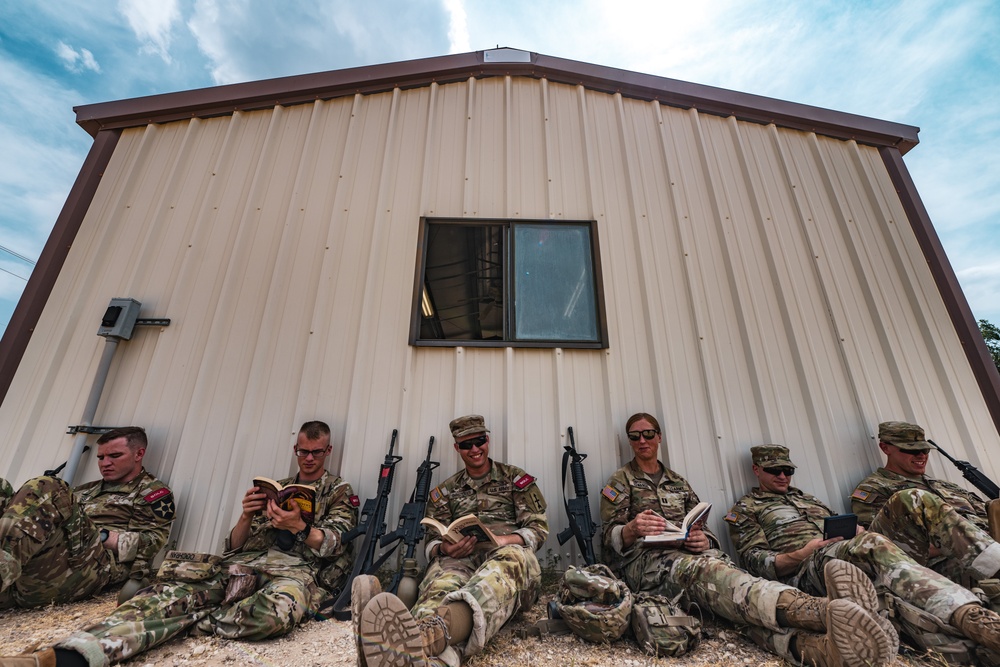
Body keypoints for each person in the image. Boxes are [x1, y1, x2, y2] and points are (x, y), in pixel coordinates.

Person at [1, 420, 357, 667]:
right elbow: (233, 546)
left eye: (317, 452)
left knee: (273, 616)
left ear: (328, 451)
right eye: (303, 451)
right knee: (159, 597)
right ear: (295, 449)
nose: (309, 459)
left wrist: (298, 526)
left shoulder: (339, 491)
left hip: (294, 571)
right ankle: (69, 655)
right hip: (244, 564)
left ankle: (188, 619)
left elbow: (335, 545)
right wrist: (247, 516)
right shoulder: (273, 486)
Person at [600, 413, 892, 667]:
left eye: (648, 434)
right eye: (635, 436)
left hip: (692, 557)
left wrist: (705, 541)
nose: (642, 441)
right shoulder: (621, 481)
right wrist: (630, 530)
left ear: (659, 437)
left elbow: (701, 524)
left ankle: (816, 650)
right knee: (715, 577)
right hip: (648, 565)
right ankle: (822, 611)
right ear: (629, 441)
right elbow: (607, 538)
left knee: (732, 606)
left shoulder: (679, 482)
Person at [727, 443, 1000, 657]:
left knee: (913, 498)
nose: (783, 476)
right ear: (757, 470)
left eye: (788, 470)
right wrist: (804, 552)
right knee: (872, 544)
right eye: (775, 471)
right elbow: (753, 562)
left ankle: (996, 566)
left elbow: (849, 528)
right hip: (808, 571)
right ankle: (971, 617)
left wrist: (859, 532)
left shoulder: (809, 499)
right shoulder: (746, 509)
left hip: (852, 550)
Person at [358, 414, 547, 667]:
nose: (475, 449)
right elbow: (433, 540)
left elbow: (538, 529)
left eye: (479, 441)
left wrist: (505, 540)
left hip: (508, 563)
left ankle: (417, 638)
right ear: (457, 448)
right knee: (441, 581)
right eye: (466, 445)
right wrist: (443, 548)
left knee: (507, 562)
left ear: (487, 440)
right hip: (461, 560)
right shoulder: (446, 491)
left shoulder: (514, 480)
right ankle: (435, 658)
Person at [0, 426, 174, 609]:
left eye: (114, 456)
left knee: (49, 485)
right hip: (43, 565)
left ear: (139, 454)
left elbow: (151, 543)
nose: (105, 463)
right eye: (100, 457)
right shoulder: (84, 490)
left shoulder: (151, 493)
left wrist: (103, 536)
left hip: (89, 568)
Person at [850, 421, 1000, 589]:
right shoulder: (875, 490)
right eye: (911, 450)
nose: (921, 455)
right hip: (941, 566)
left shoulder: (945, 486)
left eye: (924, 449)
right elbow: (882, 547)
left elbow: (989, 518)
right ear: (885, 448)